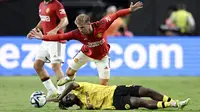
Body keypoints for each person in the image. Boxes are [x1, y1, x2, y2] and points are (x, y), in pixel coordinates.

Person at [28, 1, 143, 86]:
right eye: (79, 27)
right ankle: (72, 83)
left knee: (103, 85)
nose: (81, 30)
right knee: (69, 72)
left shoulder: (102, 24)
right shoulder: (77, 33)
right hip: (85, 53)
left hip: (102, 57)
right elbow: (60, 36)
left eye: (82, 27)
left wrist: (129, 10)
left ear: (89, 23)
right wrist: (42, 36)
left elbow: (116, 14)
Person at [47, 81, 190, 110]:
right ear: (71, 104)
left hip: (116, 89)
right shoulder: (84, 107)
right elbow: (91, 108)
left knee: (146, 91)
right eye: (67, 101)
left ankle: (172, 100)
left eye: (66, 97)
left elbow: (71, 84)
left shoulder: (78, 88)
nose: (69, 98)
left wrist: (58, 97)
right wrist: (90, 107)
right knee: (140, 102)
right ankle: (173, 104)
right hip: (115, 103)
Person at [27, 0, 69, 98]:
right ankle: (52, 91)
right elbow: (43, 20)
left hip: (57, 40)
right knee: (37, 65)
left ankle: (62, 95)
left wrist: (55, 30)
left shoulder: (57, 4)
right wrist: (34, 30)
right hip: (46, 40)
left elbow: (65, 20)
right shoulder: (42, 4)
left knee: (55, 66)